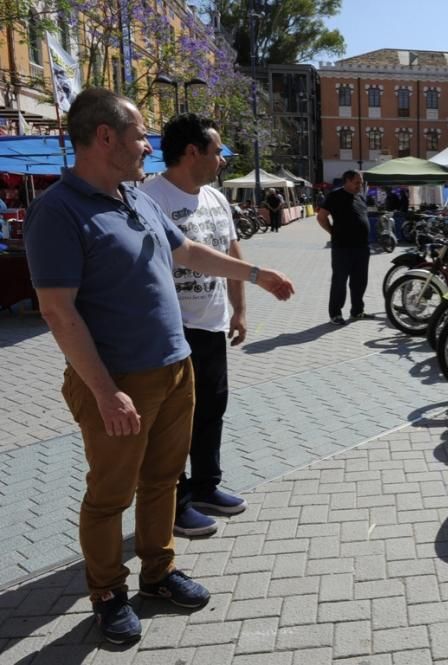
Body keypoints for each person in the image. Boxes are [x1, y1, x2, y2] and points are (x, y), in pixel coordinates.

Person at [23, 88, 294, 645]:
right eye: (139, 134)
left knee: (164, 481)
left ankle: (158, 572)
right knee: (109, 496)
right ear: (105, 138)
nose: (148, 144)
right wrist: (102, 391)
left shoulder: (135, 198)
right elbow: (57, 310)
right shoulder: (58, 211)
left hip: (177, 366)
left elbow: (187, 251)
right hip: (117, 382)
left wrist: (256, 274)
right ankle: (107, 593)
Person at [140, 113, 247, 539]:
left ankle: (206, 486)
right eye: (216, 150)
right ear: (192, 152)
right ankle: (176, 503)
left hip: (212, 325)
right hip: (171, 332)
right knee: (172, 424)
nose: (221, 159)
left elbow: (230, 248)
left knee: (211, 410)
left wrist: (239, 309)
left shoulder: (215, 198)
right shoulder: (151, 198)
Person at [316, 170, 371, 324]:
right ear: (346, 181)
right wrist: (332, 232)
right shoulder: (334, 196)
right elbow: (321, 217)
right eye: (356, 183)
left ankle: (357, 311)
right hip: (342, 247)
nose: (360, 186)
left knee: (360, 281)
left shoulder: (360, 196)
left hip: (362, 247)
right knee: (340, 281)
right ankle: (335, 314)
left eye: (361, 182)